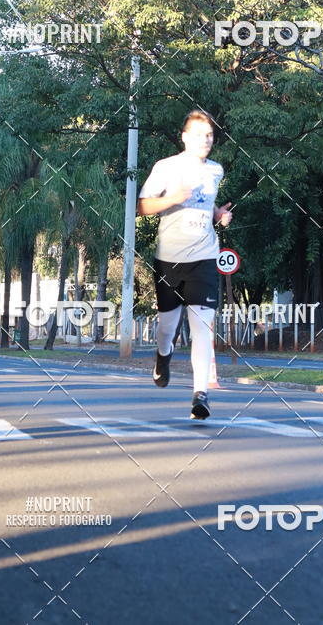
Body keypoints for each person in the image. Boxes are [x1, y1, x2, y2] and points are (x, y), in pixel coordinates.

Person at [137, 110, 233, 419]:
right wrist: (173, 199)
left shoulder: (216, 170)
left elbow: (207, 203)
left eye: (209, 136)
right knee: (167, 328)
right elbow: (142, 206)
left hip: (204, 257)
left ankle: (200, 394)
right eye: (199, 135)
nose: (206, 141)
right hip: (169, 260)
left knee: (202, 326)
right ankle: (163, 356)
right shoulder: (166, 167)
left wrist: (219, 215)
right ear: (185, 137)